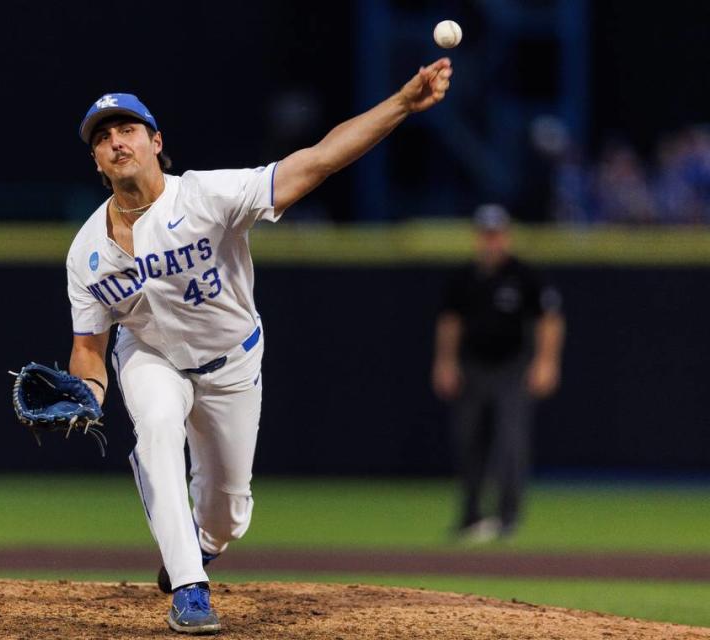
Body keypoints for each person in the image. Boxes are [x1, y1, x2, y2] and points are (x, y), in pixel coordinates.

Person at [66, 58, 453, 635]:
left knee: (227, 513)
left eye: (126, 130)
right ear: (96, 159)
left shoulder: (206, 196)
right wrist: (87, 393)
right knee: (156, 429)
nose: (115, 141)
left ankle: (197, 544)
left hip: (231, 363)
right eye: (102, 137)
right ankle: (191, 589)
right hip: (151, 355)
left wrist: (400, 103)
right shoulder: (86, 252)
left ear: (156, 142)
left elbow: (318, 161)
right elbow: (90, 348)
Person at [432, 204, 565, 543]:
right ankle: (471, 517)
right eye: (485, 234)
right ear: (478, 237)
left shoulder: (524, 274)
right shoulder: (464, 277)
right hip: (473, 366)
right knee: (468, 440)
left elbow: (550, 319)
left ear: (506, 235)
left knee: (510, 442)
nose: (491, 240)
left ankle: (508, 519)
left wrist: (546, 362)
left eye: (497, 234)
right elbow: (450, 322)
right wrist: (445, 362)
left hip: (512, 367)